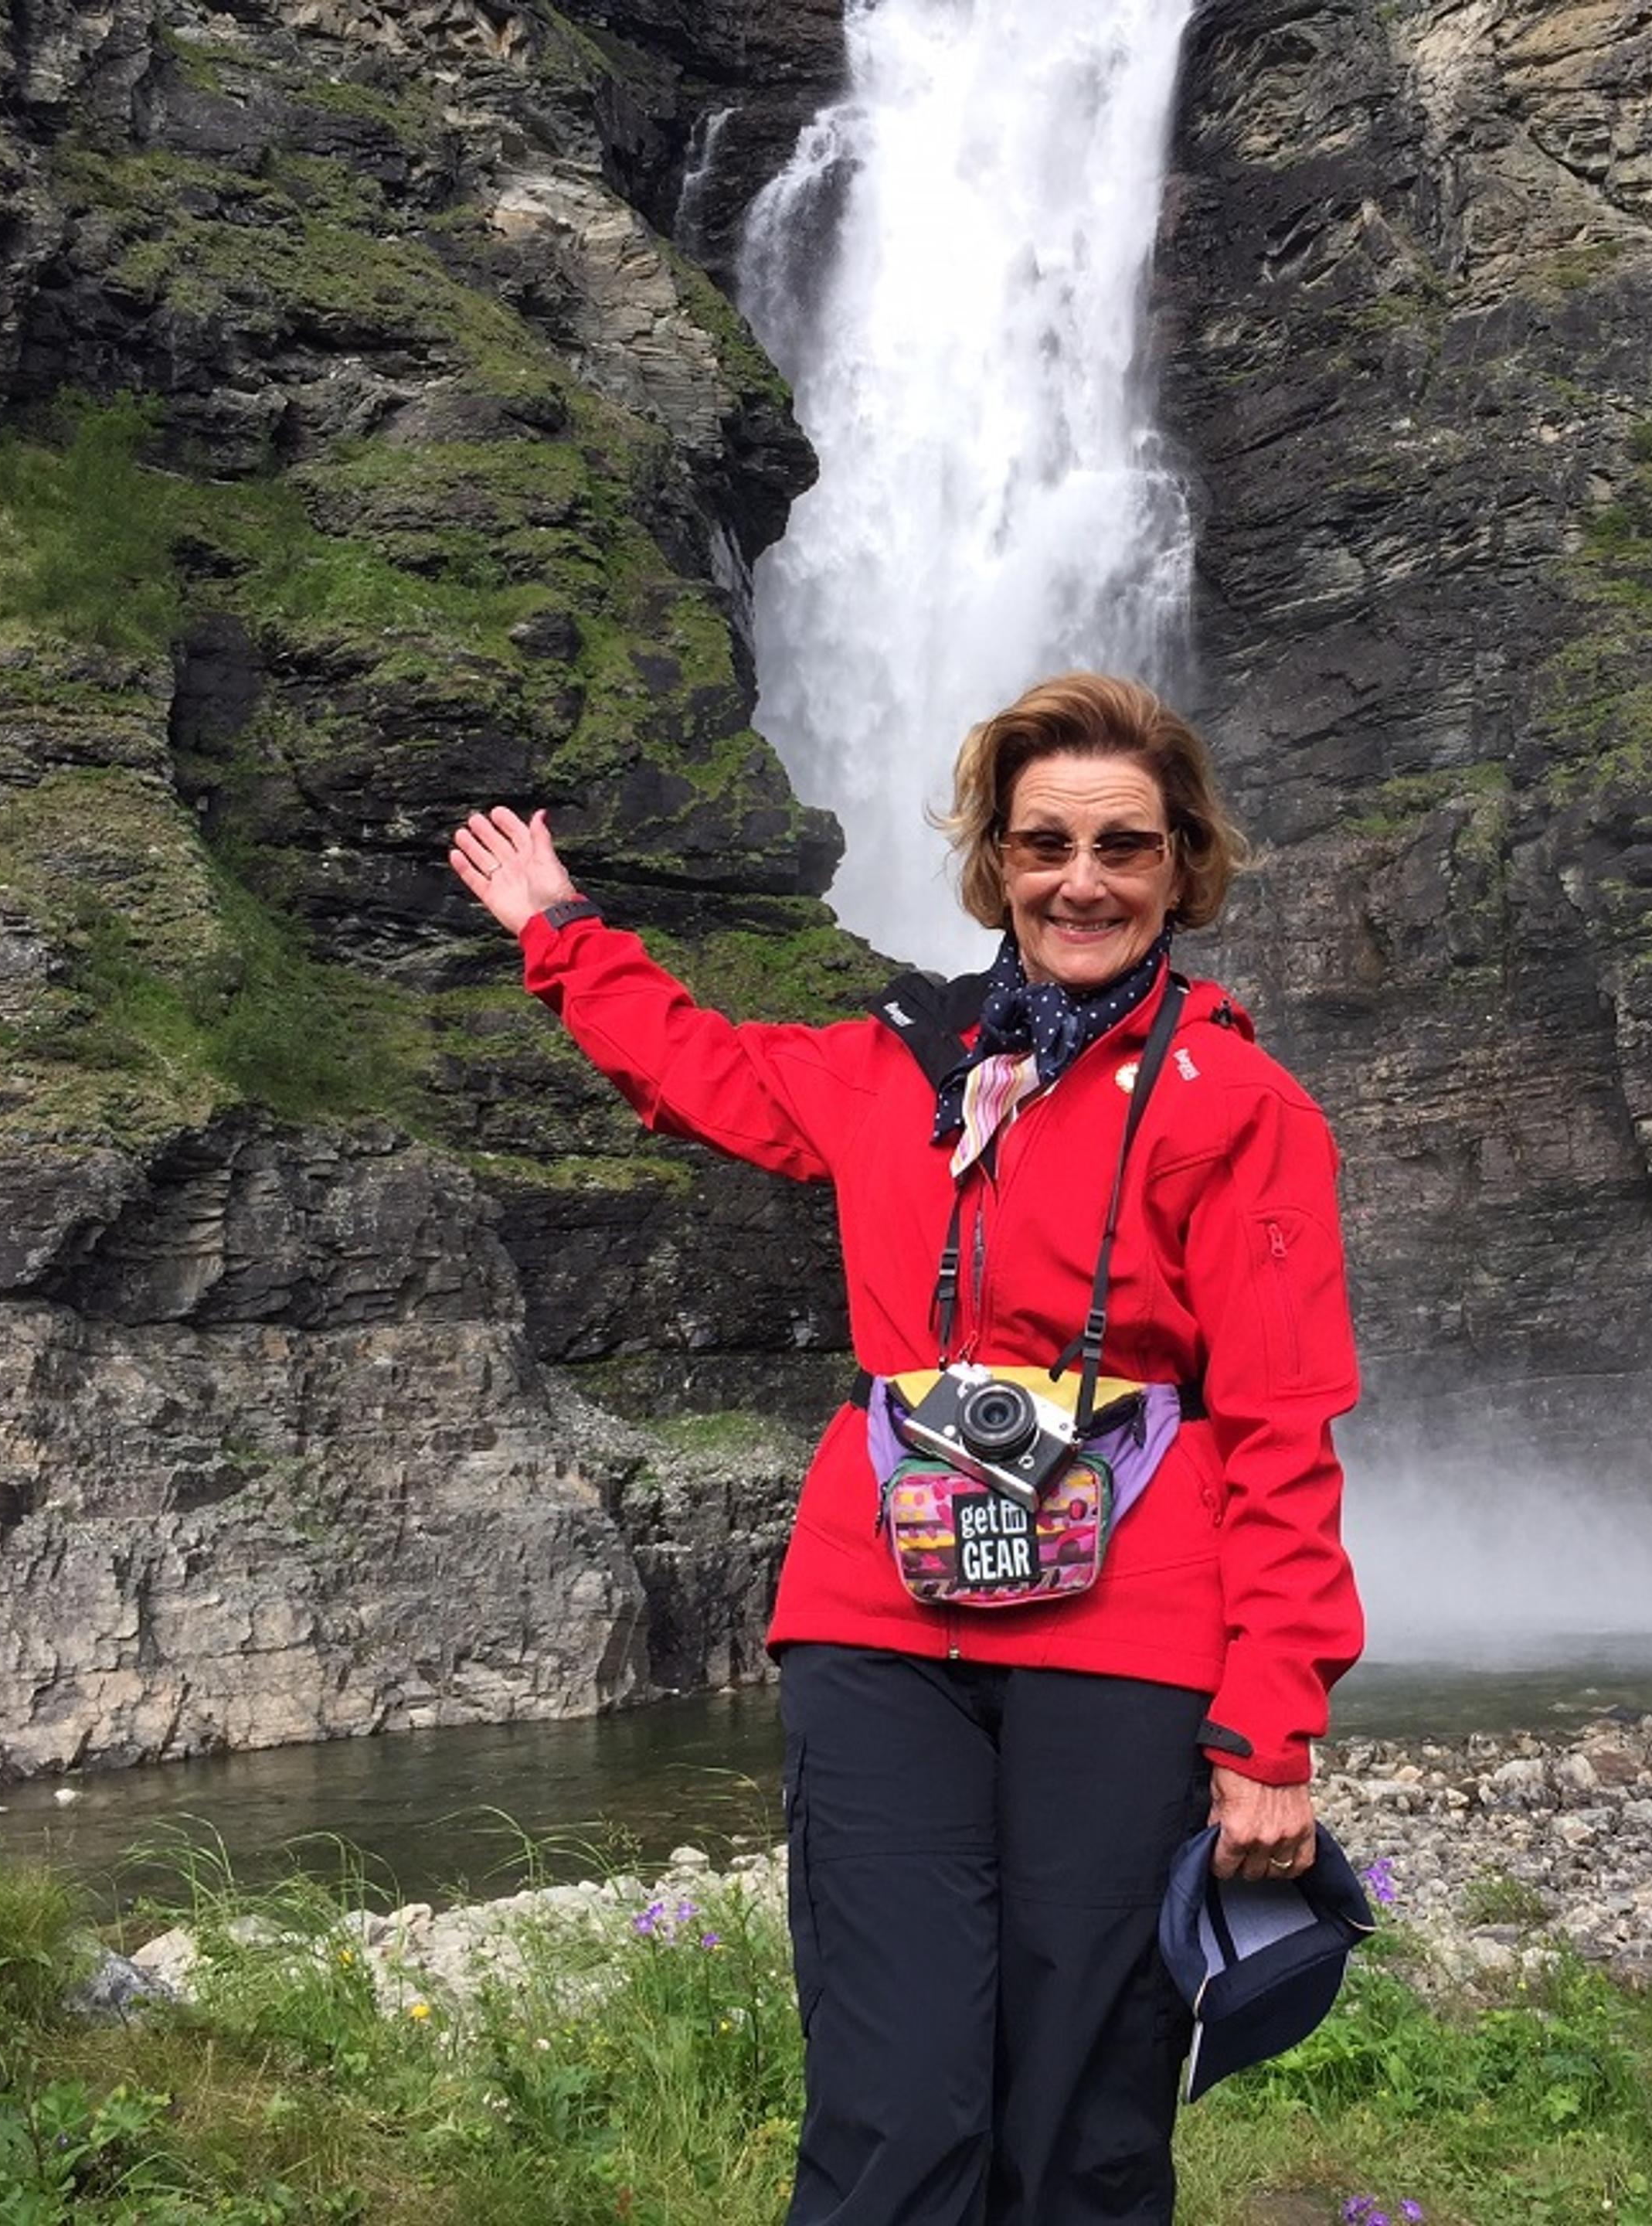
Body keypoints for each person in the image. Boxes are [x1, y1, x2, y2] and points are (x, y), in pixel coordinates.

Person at [448, 671, 1364, 2226]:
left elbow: (1283, 1429)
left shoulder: (1242, 1106)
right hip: (879, 1628)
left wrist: (1269, 1730)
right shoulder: (899, 1065)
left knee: (1083, 2112)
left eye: (1125, 847)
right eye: (1045, 843)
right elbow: (699, 1068)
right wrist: (562, 928)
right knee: (894, 2098)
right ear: (998, 862)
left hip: (1128, 1640)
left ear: (1183, 866)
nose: (1082, 881)